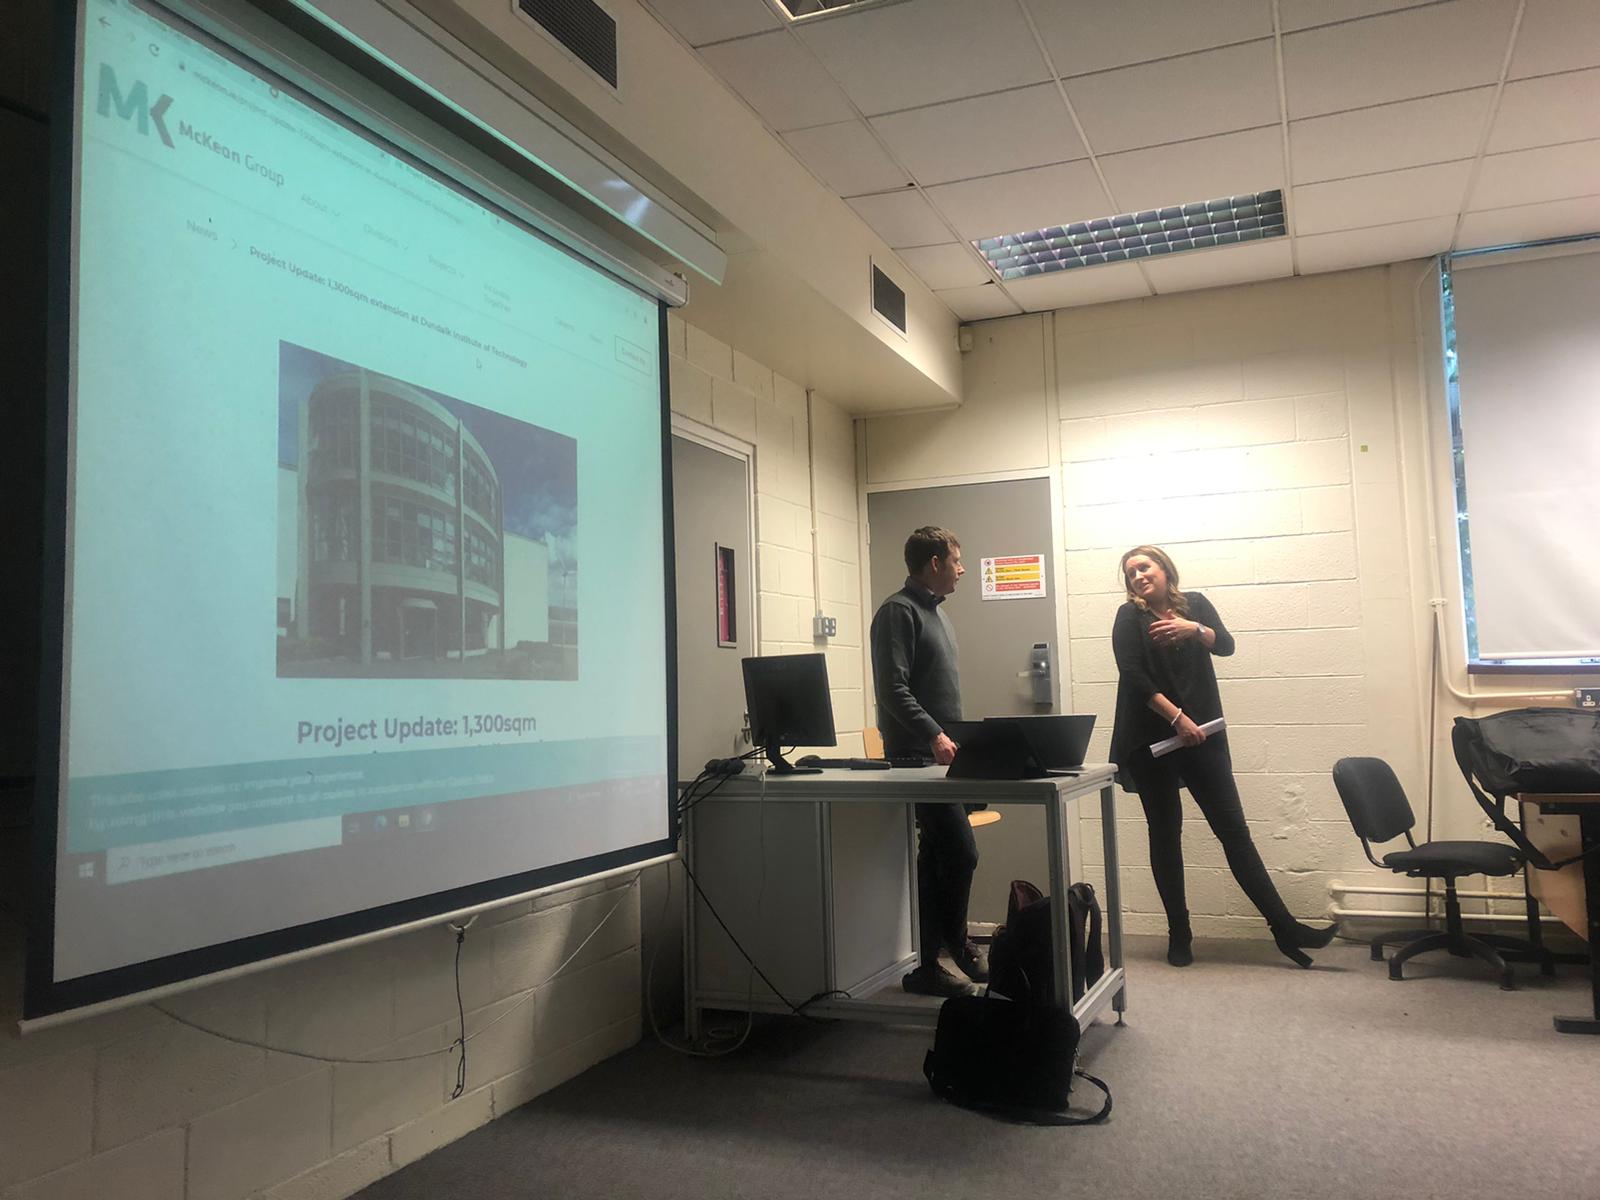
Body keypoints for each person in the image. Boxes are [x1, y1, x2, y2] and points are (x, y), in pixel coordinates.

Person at [1110, 544, 1337, 969]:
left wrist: (1194, 629)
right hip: (1151, 741)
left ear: (1164, 569)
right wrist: (1177, 718)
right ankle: (1179, 934)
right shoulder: (1129, 617)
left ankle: (1284, 928)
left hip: (1204, 735)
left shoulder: (1195, 606)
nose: (1137, 576)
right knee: (1165, 834)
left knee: (1234, 832)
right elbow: (1134, 677)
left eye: (1144, 567)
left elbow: (1226, 645)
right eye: (1130, 573)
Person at [870, 526, 986, 997]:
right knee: (960, 852)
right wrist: (934, 734)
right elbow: (892, 688)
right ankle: (954, 947)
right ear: (934, 563)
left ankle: (927, 965)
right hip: (916, 757)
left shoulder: (938, 614)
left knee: (936, 855)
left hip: (941, 758)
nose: (962, 569)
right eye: (956, 560)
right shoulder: (898, 612)